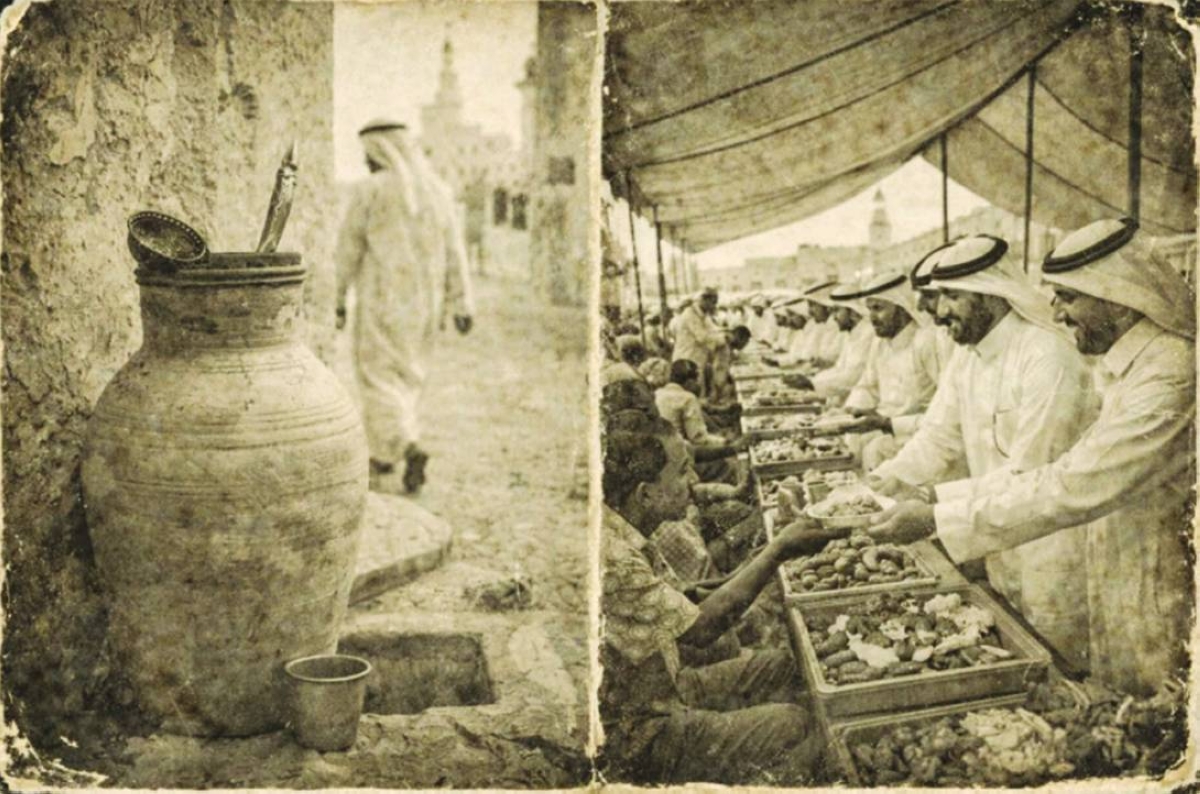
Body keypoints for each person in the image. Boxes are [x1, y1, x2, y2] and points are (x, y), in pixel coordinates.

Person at [870, 218, 1194, 694]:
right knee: (1107, 698)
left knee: (1149, 706)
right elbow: (941, 438)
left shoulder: (1169, 372)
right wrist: (896, 488)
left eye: (1069, 296)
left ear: (1117, 298)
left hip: (1129, 566)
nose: (1058, 312)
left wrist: (938, 515)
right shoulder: (1126, 364)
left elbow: (1068, 483)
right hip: (1055, 543)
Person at [867, 234, 1098, 669]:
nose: (938, 312)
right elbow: (937, 437)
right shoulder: (968, 357)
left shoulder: (1046, 355)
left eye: (952, 297)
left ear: (990, 294)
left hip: (1054, 549)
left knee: (1061, 667)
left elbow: (1032, 474)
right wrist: (878, 484)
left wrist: (933, 502)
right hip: (996, 539)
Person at [601, 416, 836, 785]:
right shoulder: (614, 558)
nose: (693, 482)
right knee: (797, 725)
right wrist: (777, 550)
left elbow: (687, 599)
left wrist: (765, 552)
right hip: (642, 733)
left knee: (785, 667)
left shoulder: (627, 531)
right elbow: (701, 627)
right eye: (681, 473)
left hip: (664, 690)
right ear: (645, 493)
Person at [335, 118, 474, 494]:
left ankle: (403, 446)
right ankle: (388, 449)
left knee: (378, 377)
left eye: (369, 155)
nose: (366, 162)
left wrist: (337, 297)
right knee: (409, 376)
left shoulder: (370, 190)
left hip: (383, 299)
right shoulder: (438, 190)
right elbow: (455, 251)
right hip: (425, 304)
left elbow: (348, 249)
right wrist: (461, 302)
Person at [834, 270, 941, 467]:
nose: (872, 317)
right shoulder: (880, 344)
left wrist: (888, 424)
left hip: (917, 437)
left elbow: (944, 408)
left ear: (901, 308)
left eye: (878, 308)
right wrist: (851, 412)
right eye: (869, 309)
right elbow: (867, 386)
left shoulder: (925, 342)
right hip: (881, 432)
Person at [672, 288, 726, 397]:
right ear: (704, 300)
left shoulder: (703, 315)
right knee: (690, 395)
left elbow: (713, 329)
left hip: (697, 361)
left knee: (699, 391)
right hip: (686, 360)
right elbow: (702, 337)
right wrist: (723, 339)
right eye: (712, 303)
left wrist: (725, 333)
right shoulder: (690, 314)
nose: (713, 306)